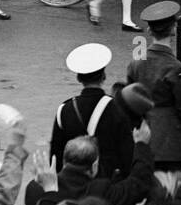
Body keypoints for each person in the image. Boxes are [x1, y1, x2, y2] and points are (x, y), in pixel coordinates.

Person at [126, 2, 181, 197]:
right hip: (171, 143)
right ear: (173, 29)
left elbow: (129, 101)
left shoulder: (136, 63)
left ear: (149, 30)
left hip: (143, 137)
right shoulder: (177, 68)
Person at [51, 44, 134, 178]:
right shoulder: (116, 109)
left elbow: (55, 157)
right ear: (104, 76)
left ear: (79, 78)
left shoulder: (64, 110)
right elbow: (127, 155)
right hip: (105, 184)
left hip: (72, 184)